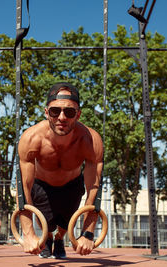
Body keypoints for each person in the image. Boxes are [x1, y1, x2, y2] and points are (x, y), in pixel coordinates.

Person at [17, 82, 104, 258]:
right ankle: (48, 237)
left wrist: (88, 232)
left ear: (78, 115)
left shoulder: (91, 140)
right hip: (41, 185)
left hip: (72, 185)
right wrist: (27, 232)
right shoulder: (31, 138)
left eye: (69, 112)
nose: (62, 117)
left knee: (66, 223)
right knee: (46, 224)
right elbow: (23, 187)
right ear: (46, 112)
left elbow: (94, 188)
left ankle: (59, 239)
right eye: (55, 111)